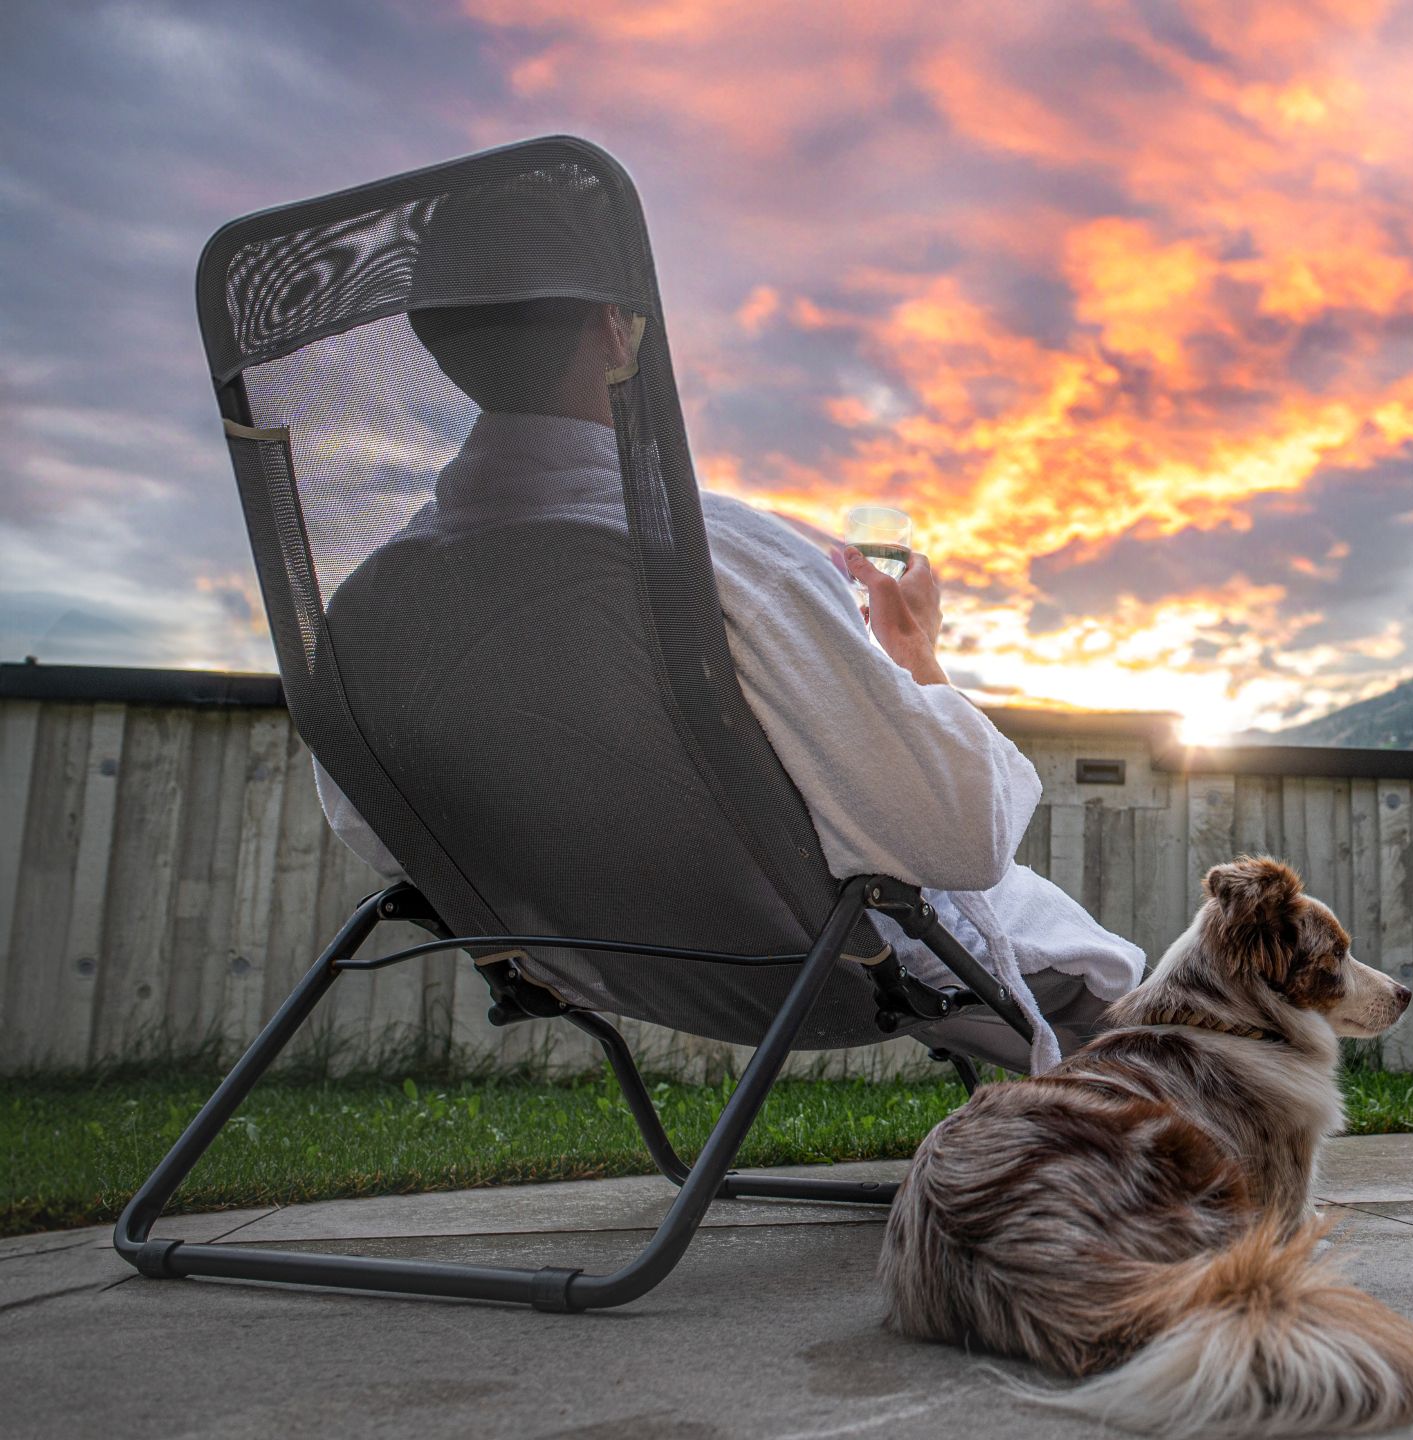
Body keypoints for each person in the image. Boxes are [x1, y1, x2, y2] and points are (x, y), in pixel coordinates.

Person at [311, 288, 1142, 1074]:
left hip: (578, 956)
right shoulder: (722, 558)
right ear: (614, 327)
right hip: (811, 961)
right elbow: (965, 840)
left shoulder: (371, 604)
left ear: (437, 345)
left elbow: (374, 824)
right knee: (1118, 995)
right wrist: (916, 652)